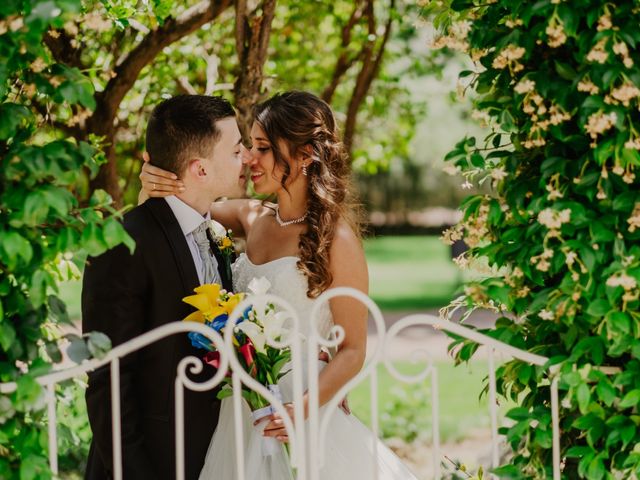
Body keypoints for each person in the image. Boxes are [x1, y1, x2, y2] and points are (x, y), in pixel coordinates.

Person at [139, 91, 418, 479]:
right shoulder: (252, 217)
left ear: (304, 155)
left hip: (299, 410)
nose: (250, 158)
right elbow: (183, 202)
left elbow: (352, 349)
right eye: (249, 146)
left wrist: (298, 411)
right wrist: (153, 181)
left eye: (264, 148)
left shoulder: (336, 241)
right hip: (238, 408)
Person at [82, 95, 246, 480]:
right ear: (200, 170)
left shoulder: (216, 234)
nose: (248, 158)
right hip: (151, 462)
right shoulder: (124, 244)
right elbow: (108, 381)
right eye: (237, 150)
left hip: (213, 454)